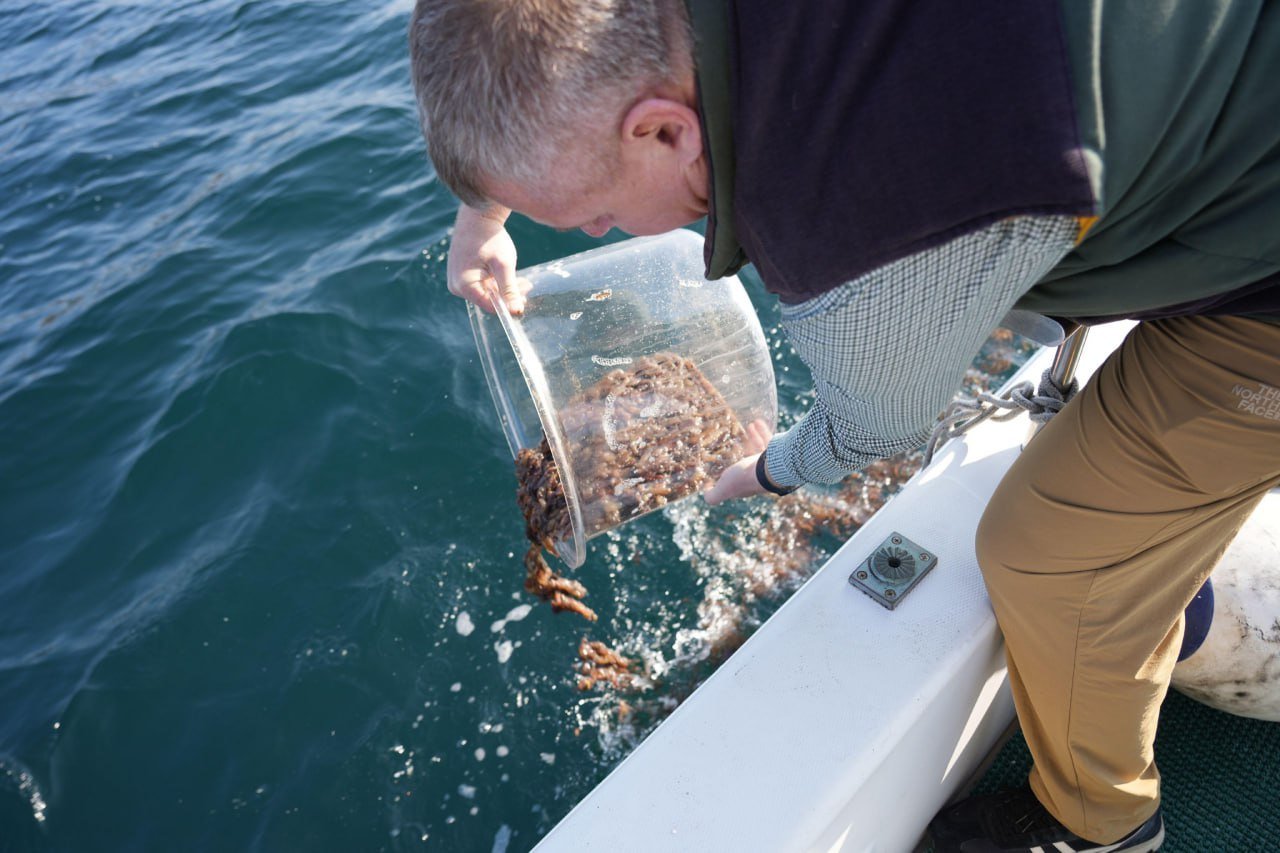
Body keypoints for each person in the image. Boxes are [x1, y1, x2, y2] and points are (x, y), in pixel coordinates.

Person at [409, 1, 1280, 850]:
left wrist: (767, 468)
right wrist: (485, 211)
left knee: (1044, 556)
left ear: (665, 131)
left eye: (592, 211)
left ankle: (1102, 824)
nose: (596, 232)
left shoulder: (853, 233)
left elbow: (878, 426)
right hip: (1195, 77)